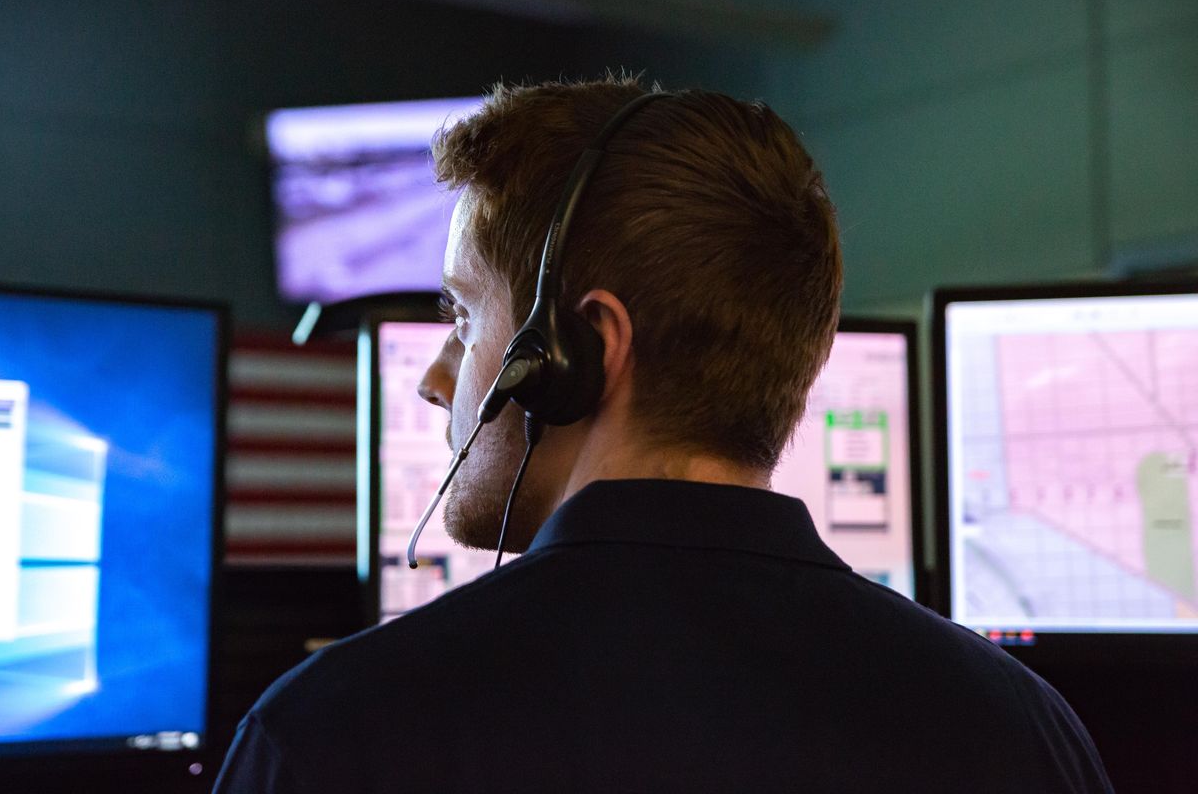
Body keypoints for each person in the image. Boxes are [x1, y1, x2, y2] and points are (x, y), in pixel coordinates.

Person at [213, 75, 1113, 792]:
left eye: (462, 314)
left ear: (575, 353)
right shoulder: (1026, 731)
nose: (435, 376)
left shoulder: (340, 734)